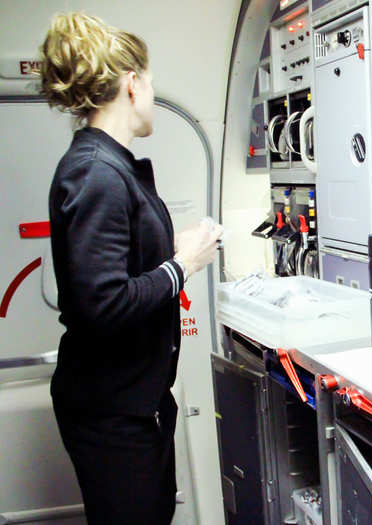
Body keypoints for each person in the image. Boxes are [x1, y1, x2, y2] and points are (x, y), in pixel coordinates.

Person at [38, 12, 223, 524]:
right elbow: (105, 305)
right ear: (132, 83)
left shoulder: (109, 167)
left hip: (133, 403)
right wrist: (183, 265)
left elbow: (118, 267)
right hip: (112, 412)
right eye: (151, 79)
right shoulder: (97, 173)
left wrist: (172, 252)